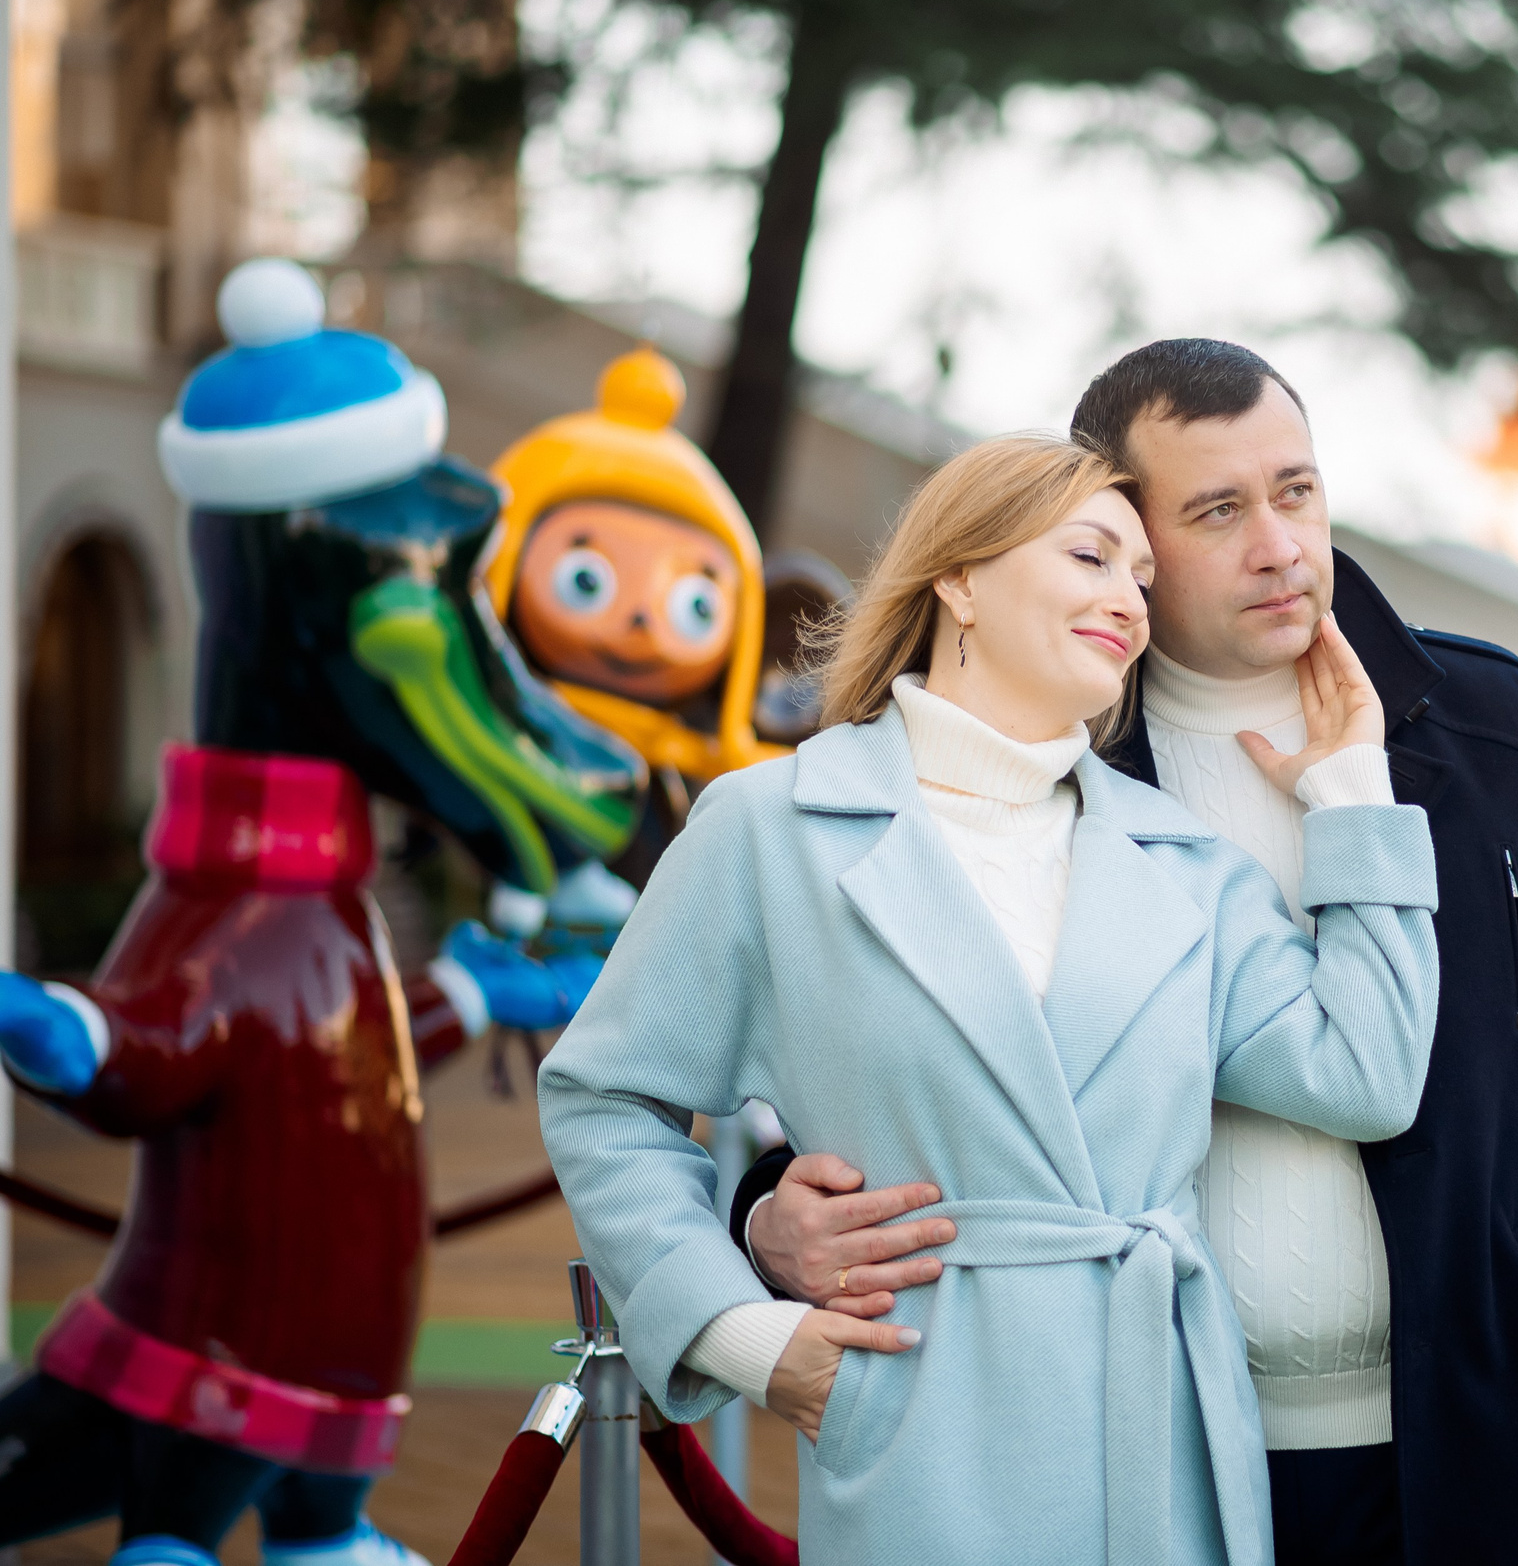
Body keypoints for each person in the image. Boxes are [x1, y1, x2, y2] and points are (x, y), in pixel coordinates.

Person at [735, 341, 1518, 1564]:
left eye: (1295, 490)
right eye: (1217, 510)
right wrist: (764, 1210)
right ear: (1129, 539)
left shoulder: (1488, 719)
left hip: (1475, 1447)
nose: (1280, 546)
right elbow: (894, 1053)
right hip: (1140, 1453)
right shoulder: (1040, 755)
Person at [538, 434, 1442, 1566]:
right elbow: (606, 1099)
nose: (1130, 601)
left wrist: (1352, 794)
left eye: (1141, 578)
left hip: (1161, 1438)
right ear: (960, 578)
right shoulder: (771, 827)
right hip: (925, 1428)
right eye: (1091, 556)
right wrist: (742, 1332)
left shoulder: (1185, 862)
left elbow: (1366, 1072)